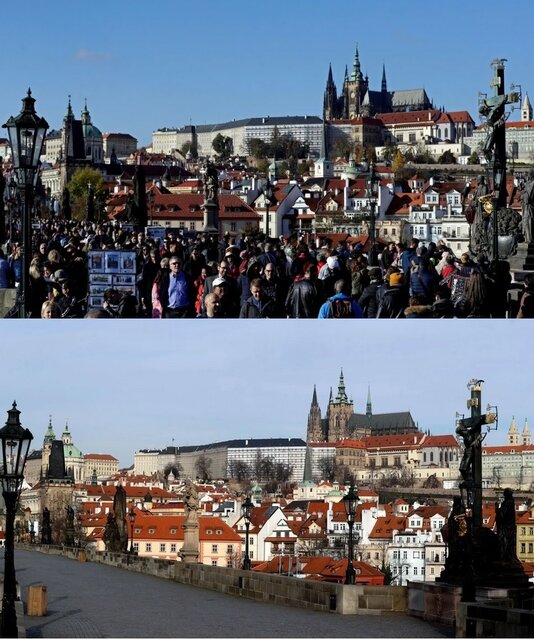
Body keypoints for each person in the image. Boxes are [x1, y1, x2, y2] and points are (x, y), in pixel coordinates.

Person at [520, 170, 534, 244]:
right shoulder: (528, 184)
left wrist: (523, 195)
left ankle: (529, 239)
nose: (527, 176)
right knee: (526, 222)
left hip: (529, 207)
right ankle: (527, 238)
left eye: (528, 174)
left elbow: (527, 197)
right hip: (526, 206)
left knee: (528, 222)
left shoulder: (532, 184)